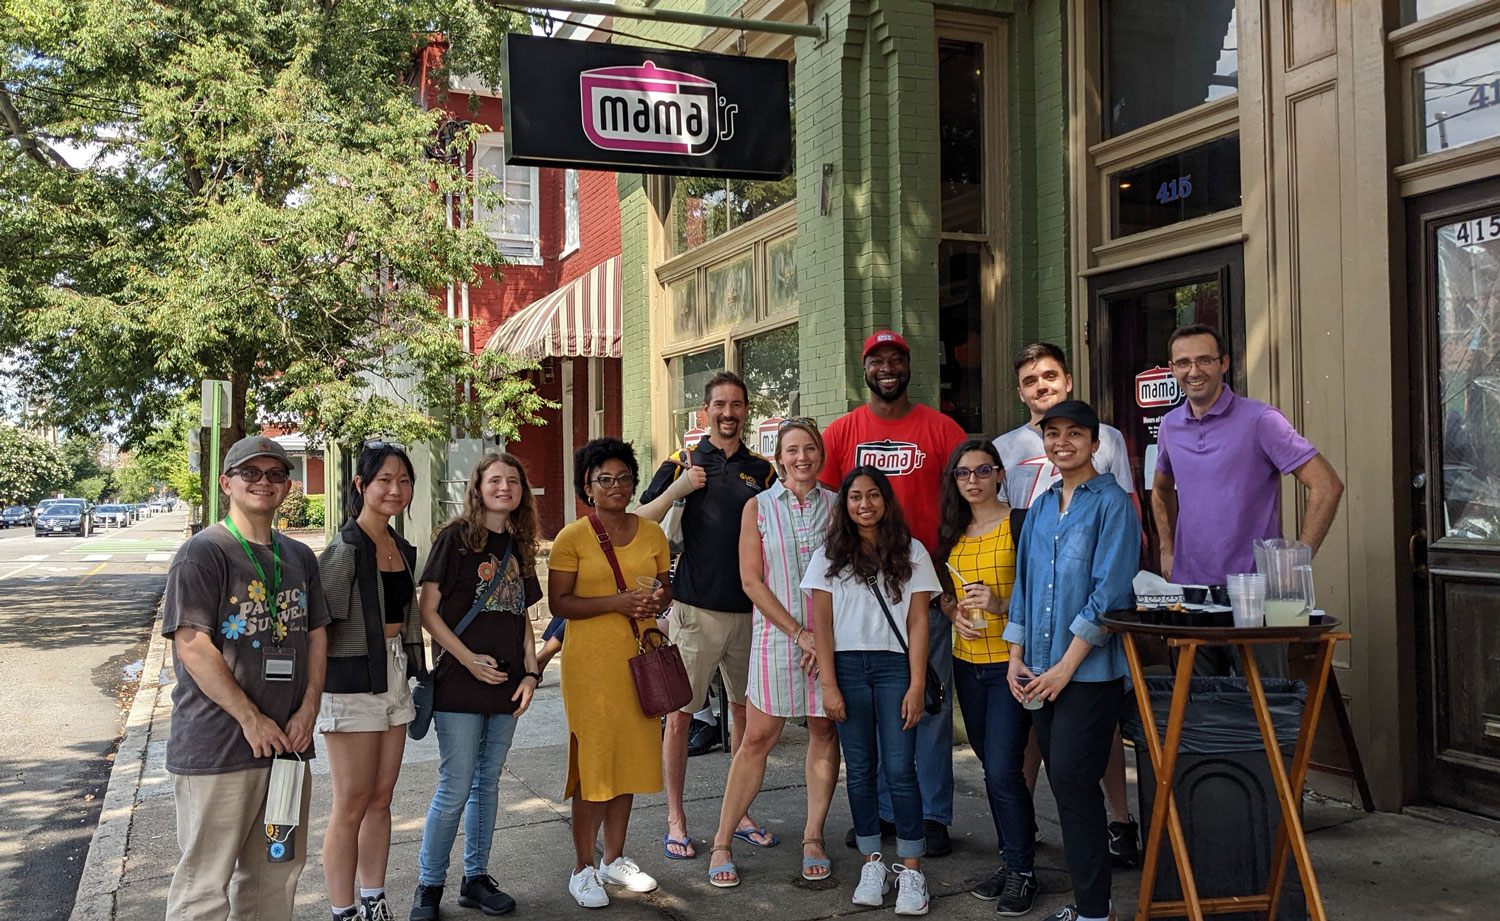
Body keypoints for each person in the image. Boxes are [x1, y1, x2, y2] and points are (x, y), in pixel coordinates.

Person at [162, 435, 329, 921]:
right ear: (226, 482)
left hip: (287, 751)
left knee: (275, 876)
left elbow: (316, 634)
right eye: (250, 473)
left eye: (275, 473)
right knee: (205, 886)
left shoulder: (298, 556)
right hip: (220, 748)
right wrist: (250, 718)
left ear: (287, 486)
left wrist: (309, 707)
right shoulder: (203, 553)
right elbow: (192, 645)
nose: (263, 482)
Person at [819, 330, 967, 856]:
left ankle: (929, 814)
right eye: (877, 360)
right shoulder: (842, 432)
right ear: (864, 369)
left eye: (896, 360)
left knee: (923, 702)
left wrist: (953, 572)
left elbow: (966, 498)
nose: (887, 368)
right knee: (872, 709)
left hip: (921, 586)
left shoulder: (941, 428)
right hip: (861, 595)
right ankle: (883, 810)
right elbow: (827, 508)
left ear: (908, 367)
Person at [993, 341, 1140, 868]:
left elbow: (1114, 558)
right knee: (1047, 754)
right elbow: (1021, 562)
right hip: (1038, 614)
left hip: (1086, 625)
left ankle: (1118, 828)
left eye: (1050, 376)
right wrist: (1018, 647)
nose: (1042, 386)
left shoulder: (1111, 465)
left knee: (1090, 752)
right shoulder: (1010, 455)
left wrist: (1066, 662)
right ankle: (1030, 839)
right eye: (1031, 380)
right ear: (1021, 393)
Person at [636, 371, 777, 859]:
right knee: (680, 716)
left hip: (751, 614)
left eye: (737, 405)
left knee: (744, 716)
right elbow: (641, 520)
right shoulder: (683, 462)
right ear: (705, 411)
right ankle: (676, 817)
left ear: (745, 411)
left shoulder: (763, 470)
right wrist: (681, 489)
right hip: (695, 610)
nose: (729, 413)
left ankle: (737, 815)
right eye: (720, 404)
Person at [1151, 324, 1344, 677]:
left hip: (1254, 598)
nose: (1194, 371)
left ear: (1224, 363)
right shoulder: (1169, 426)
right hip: (1190, 596)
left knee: (1262, 715)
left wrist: (1295, 565)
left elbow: (1326, 485)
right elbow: (1161, 491)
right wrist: (1166, 547)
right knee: (1198, 716)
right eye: (1184, 363)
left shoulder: (1261, 420)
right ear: (1172, 368)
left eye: (1204, 360)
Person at [706, 418, 841, 888]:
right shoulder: (758, 507)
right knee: (759, 737)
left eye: (809, 448)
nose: (801, 457)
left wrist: (822, 639)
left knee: (824, 731)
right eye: (792, 450)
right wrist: (799, 634)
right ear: (778, 457)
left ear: (819, 454)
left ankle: (812, 837)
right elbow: (751, 581)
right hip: (778, 639)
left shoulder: (839, 506)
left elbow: (846, 579)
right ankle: (723, 839)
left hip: (828, 639)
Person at [410, 452, 543, 921]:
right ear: (478, 486)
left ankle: (475, 879)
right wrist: (467, 660)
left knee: (487, 784)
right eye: (495, 480)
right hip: (458, 682)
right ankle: (428, 887)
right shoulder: (455, 539)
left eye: (513, 480)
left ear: (521, 491)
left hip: (506, 683)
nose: (504, 487)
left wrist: (531, 674)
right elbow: (428, 611)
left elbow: (523, 616)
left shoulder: (521, 545)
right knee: (456, 784)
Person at [804, 467, 941, 915]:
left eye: (874, 496)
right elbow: (820, 624)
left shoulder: (912, 550)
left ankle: (912, 872)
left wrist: (917, 683)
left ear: (886, 500)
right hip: (846, 667)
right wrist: (828, 684)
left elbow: (920, 621)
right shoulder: (829, 554)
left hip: (894, 667)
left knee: (901, 770)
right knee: (860, 770)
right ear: (844, 504)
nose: (865, 504)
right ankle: (873, 863)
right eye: (856, 497)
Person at [549, 437, 673, 908]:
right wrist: (617, 602)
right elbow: (560, 603)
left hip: (639, 662)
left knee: (629, 764)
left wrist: (658, 599)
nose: (617, 486)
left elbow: (666, 588)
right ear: (588, 485)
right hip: (591, 668)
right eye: (605, 479)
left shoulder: (652, 533)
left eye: (624, 477)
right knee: (596, 766)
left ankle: (613, 858)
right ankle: (582, 867)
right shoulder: (572, 537)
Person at [318, 443, 424, 921]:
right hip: (351, 680)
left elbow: (409, 614)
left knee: (382, 796)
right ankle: (343, 911)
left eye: (403, 480)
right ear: (360, 486)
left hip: (393, 671)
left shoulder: (399, 546)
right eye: (384, 480)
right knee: (352, 801)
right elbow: (317, 626)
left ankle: (373, 899)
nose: (395, 489)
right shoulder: (344, 549)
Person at [934, 441, 1036, 915]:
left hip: (1010, 665)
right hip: (966, 663)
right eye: (962, 473)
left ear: (999, 474)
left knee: (1001, 768)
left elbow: (1042, 601)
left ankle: (1023, 871)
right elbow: (945, 595)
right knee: (991, 766)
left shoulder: (1021, 524)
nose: (972, 480)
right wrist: (953, 613)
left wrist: (999, 606)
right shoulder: (952, 531)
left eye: (982, 470)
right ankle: (1012, 860)